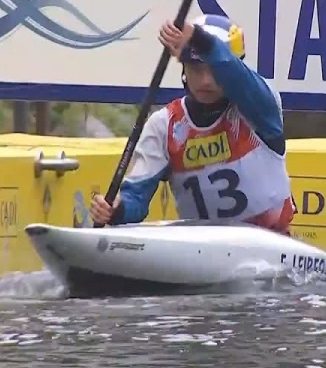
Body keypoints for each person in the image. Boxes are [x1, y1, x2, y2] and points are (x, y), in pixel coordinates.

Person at [88, 14, 295, 234]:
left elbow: (235, 73)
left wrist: (198, 38)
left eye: (213, 70)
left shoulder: (260, 108)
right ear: (183, 68)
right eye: (196, 69)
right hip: (203, 251)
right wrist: (117, 210)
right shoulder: (163, 126)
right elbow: (136, 200)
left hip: (270, 241)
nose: (206, 81)